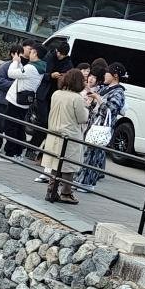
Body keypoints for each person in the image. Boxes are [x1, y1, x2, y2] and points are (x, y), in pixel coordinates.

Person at [41, 67, 89, 202]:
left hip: (53, 133)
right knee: (68, 166)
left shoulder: (56, 93)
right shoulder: (77, 98)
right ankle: (66, 193)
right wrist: (87, 107)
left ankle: (51, 190)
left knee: (55, 163)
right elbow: (82, 118)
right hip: (70, 134)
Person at [77, 64, 126, 192]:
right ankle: (80, 181)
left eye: (107, 73)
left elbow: (111, 110)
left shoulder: (118, 92)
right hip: (93, 124)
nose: (104, 75)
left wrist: (98, 98)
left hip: (102, 127)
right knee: (88, 154)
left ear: (115, 75)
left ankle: (87, 183)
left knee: (94, 155)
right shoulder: (106, 88)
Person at [27, 37, 69, 160]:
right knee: (43, 122)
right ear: (57, 51)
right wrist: (51, 75)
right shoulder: (48, 57)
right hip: (43, 94)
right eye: (60, 54)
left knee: (49, 124)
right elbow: (40, 73)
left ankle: (36, 150)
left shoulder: (67, 61)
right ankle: (32, 149)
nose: (60, 57)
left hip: (55, 96)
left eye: (63, 55)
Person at [1, 43, 42, 159]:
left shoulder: (31, 67)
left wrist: (15, 61)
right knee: (19, 128)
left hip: (16, 100)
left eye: (32, 51)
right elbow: (23, 76)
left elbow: (11, 74)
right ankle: (18, 153)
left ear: (36, 53)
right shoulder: (40, 68)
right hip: (25, 101)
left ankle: (10, 153)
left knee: (11, 127)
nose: (29, 53)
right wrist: (19, 64)